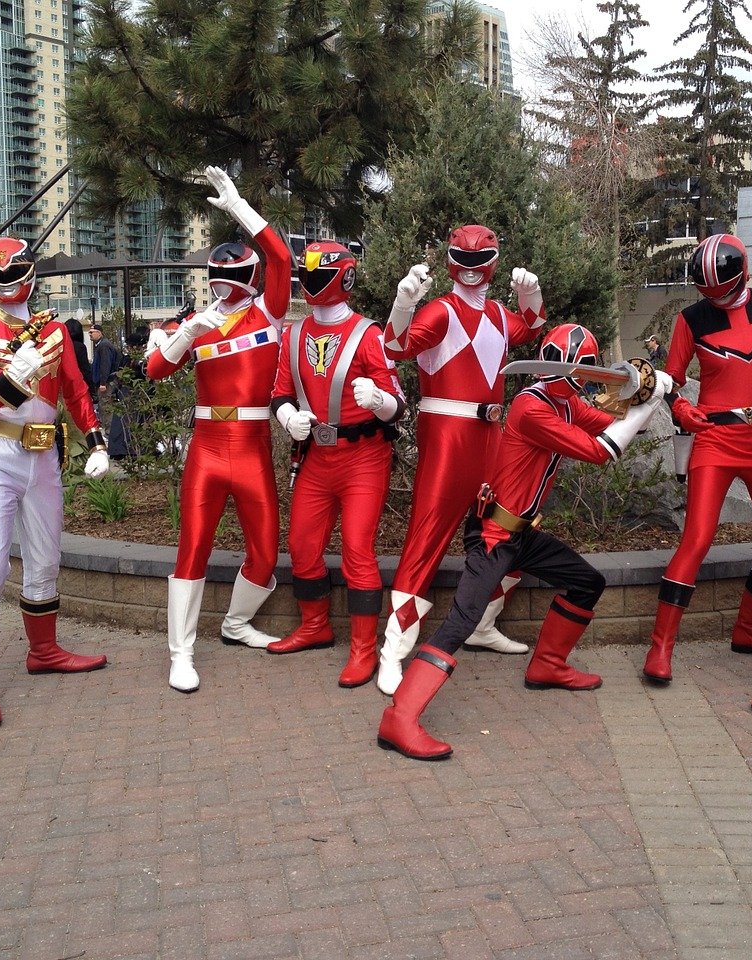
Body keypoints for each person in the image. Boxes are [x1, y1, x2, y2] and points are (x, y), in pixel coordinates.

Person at [377, 324, 673, 759]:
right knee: (462, 621)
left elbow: (615, 423)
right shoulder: (530, 407)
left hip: (523, 533)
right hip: (494, 534)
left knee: (586, 583)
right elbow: (602, 451)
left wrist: (642, 390)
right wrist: (650, 403)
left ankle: (548, 664)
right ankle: (398, 719)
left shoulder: (564, 403)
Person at [375, 224, 548, 696]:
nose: (471, 269)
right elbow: (393, 347)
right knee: (427, 535)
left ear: (492, 261)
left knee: (510, 527)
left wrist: (531, 297)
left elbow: (531, 329)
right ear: (452, 260)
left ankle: (483, 623)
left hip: (491, 436)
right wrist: (403, 304)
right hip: (449, 437)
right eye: (463, 260)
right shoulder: (442, 312)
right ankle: (393, 648)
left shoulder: (495, 312)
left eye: (480, 260)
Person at [0, 235, 111, 728]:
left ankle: (44, 651)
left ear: (31, 276)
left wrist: (98, 442)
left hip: (42, 453)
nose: (9, 285)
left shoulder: (56, 331)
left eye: (15, 274)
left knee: (45, 558)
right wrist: (5, 383)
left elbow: (78, 393)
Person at [641, 234, 752, 685]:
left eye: (724, 292)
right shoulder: (691, 320)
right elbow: (670, 380)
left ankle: (751, 629)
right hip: (716, 439)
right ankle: (660, 647)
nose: (718, 301)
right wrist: (680, 407)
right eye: (709, 294)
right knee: (696, 540)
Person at [145, 166, 291, 694]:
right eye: (218, 280)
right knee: (193, 546)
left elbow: (281, 257)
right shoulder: (199, 321)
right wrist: (185, 334)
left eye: (233, 279)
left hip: (251, 445)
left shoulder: (269, 314)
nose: (224, 289)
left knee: (266, 552)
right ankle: (180, 652)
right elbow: (154, 370)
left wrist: (237, 208)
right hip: (207, 446)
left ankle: (234, 623)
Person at [266, 241, 406, 687]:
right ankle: (314, 625)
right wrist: (288, 417)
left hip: (363, 456)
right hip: (316, 456)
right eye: (304, 273)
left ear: (344, 277)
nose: (310, 280)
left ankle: (365, 647)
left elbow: (399, 404)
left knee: (357, 550)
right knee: (303, 545)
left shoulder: (369, 334)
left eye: (318, 273)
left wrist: (379, 400)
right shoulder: (293, 333)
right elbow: (280, 391)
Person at [90, 323, 120, 409]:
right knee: (103, 405)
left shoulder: (104, 345)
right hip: (103, 381)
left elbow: (105, 364)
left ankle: (106, 423)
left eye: (92, 332)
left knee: (105, 406)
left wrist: (103, 383)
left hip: (106, 382)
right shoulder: (100, 345)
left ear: (99, 333)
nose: (90, 334)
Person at [65, 317, 95, 395]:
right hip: (76, 387)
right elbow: (85, 369)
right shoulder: (79, 347)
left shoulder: (61, 346)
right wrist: (92, 391)